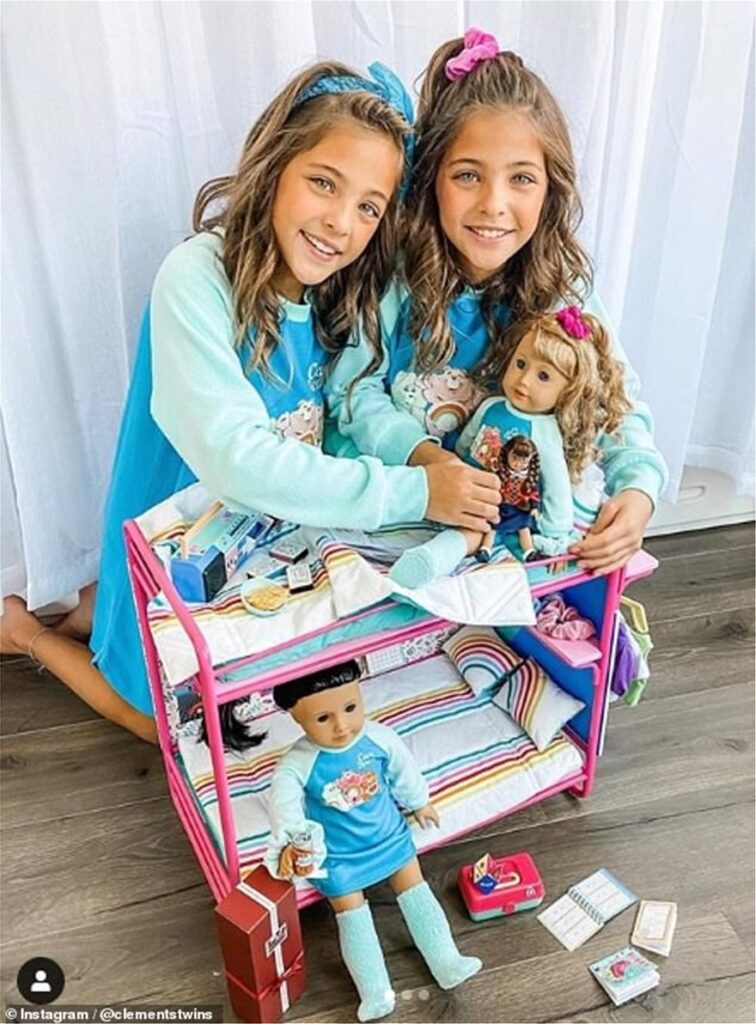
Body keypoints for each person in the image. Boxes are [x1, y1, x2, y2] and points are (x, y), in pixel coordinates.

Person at [0, 60, 502, 742]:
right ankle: (27, 633)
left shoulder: (336, 291)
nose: (340, 223)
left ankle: (96, 606)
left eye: (368, 206)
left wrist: (427, 463)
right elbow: (236, 458)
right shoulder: (196, 279)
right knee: (160, 724)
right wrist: (414, 493)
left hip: (262, 548)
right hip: (180, 541)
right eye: (324, 183)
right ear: (275, 166)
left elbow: (342, 414)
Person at [328, 28, 668, 578]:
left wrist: (638, 488)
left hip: (515, 533)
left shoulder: (560, 290)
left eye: (522, 179)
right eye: (468, 175)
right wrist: (428, 462)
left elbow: (612, 398)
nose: (494, 204)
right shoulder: (393, 278)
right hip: (402, 516)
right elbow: (352, 392)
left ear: (550, 188)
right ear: (431, 179)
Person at [265, 660, 481, 1022]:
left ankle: (446, 960)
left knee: (416, 890)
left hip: (388, 837)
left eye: (351, 707)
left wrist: (419, 802)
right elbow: (283, 806)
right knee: (351, 915)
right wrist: (293, 842)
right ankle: (374, 991)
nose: (342, 726)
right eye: (323, 718)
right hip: (339, 856)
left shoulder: (379, 738)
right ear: (296, 718)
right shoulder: (297, 763)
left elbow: (403, 770)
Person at [390, 306, 633, 586]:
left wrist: (556, 534)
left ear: (569, 390)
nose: (524, 380)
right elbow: (467, 442)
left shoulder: (545, 432)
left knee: (472, 533)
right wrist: (453, 466)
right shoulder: (491, 406)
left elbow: (556, 486)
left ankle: (429, 560)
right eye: (520, 364)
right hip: (465, 487)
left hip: (506, 504)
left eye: (544, 376)